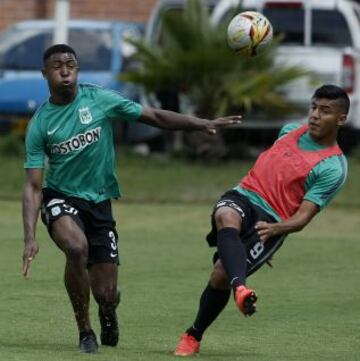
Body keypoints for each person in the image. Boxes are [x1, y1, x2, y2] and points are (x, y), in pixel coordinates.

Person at [21, 44, 242, 354]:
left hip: (99, 202)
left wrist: (202, 122)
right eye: (57, 66)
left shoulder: (99, 99)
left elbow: (154, 116)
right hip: (60, 197)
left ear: (78, 69)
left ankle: (107, 312)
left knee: (107, 292)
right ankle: (85, 331)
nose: (65, 70)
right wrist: (30, 236)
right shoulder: (40, 124)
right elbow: (32, 187)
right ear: (45, 73)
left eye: (71, 64)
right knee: (76, 248)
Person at [173, 84, 349, 356]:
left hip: (272, 221)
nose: (314, 115)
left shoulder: (332, 167)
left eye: (325, 111)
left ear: (341, 119)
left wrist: (275, 232)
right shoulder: (290, 130)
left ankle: (193, 335)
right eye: (313, 107)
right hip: (244, 194)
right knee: (225, 215)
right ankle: (241, 288)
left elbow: (302, 218)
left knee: (221, 273)